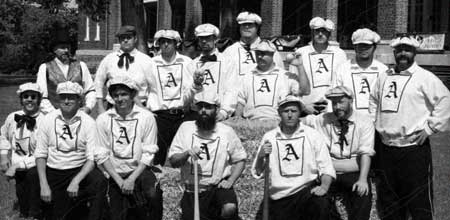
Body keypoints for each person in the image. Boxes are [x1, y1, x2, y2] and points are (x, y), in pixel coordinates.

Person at [369, 35, 450, 220]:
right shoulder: (384, 76)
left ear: (414, 52)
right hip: (386, 149)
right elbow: (373, 100)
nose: (402, 54)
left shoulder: (424, 77)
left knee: (419, 202)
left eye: (407, 49)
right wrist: (374, 122)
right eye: (399, 50)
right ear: (394, 52)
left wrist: (430, 128)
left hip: (413, 150)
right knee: (389, 201)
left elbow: (445, 101)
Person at [251, 95, 336, 220]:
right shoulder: (269, 137)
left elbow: (326, 167)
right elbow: (258, 172)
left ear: (299, 113)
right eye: (286, 111)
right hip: (279, 197)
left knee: (322, 204)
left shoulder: (312, 135)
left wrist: (324, 187)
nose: (290, 115)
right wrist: (260, 157)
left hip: (305, 194)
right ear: (279, 113)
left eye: (294, 111)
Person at [168, 92, 247, 220]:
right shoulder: (185, 128)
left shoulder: (226, 131)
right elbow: (173, 160)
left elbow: (241, 160)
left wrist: (230, 181)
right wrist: (186, 153)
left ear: (216, 109)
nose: (204, 111)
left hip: (217, 188)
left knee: (229, 208)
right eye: (200, 107)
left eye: (208, 107)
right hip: (192, 191)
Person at [34, 81, 107, 220]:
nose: (66, 101)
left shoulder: (89, 122)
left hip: (79, 170)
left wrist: (76, 181)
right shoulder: (48, 119)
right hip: (55, 170)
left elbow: (92, 158)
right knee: (60, 215)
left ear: (79, 100)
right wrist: (44, 185)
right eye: (63, 97)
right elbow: (40, 154)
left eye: (71, 97)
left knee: (99, 180)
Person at [302, 86, 375, 220]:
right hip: (328, 173)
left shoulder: (364, 121)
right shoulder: (322, 119)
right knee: (318, 202)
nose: (337, 107)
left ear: (351, 100)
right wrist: (303, 107)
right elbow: (295, 121)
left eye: (341, 102)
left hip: (353, 173)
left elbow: (366, 153)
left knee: (362, 196)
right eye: (334, 103)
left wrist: (363, 179)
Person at [95, 76, 161, 220]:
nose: (120, 99)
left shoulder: (146, 117)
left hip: (139, 171)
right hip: (114, 173)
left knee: (153, 194)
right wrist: (119, 181)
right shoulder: (103, 119)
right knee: (115, 213)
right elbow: (101, 154)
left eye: (124, 94)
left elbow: (149, 152)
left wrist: (131, 179)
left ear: (132, 95)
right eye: (116, 95)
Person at [147, 29, 204, 166]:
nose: (165, 45)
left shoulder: (186, 62)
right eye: (162, 42)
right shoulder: (151, 63)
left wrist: (196, 85)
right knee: (157, 157)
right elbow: (142, 90)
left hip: (181, 115)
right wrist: (146, 111)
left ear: (176, 44)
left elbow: (191, 89)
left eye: (169, 42)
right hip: (159, 116)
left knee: (181, 154)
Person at [0, 83, 44, 219]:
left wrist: (17, 166)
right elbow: (3, 135)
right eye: (26, 96)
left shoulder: (45, 121)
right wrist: (3, 156)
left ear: (39, 100)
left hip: (37, 165)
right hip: (18, 164)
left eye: (33, 97)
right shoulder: (13, 117)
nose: (29, 99)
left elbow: (43, 152)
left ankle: (36, 214)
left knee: (33, 180)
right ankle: (25, 212)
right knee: (22, 194)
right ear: (21, 100)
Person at [235, 40, 309, 121]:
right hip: (251, 121)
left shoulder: (285, 76)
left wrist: (300, 66)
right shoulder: (247, 76)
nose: (260, 57)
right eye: (258, 53)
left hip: (278, 121)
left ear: (272, 54)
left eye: (264, 54)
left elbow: (305, 91)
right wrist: (237, 117)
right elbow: (241, 102)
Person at [290, 17, 347, 115]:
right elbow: (292, 84)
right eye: (317, 31)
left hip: (332, 109)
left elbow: (343, 84)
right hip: (307, 108)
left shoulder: (339, 54)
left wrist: (331, 106)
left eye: (324, 31)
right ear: (312, 32)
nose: (320, 34)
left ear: (329, 33)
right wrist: (302, 106)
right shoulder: (300, 53)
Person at [95, 25, 155, 114]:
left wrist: (149, 107)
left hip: (139, 108)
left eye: (129, 37)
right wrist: (100, 107)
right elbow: (98, 83)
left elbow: (154, 87)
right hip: (114, 108)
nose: (125, 40)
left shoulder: (146, 61)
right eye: (123, 38)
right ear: (119, 40)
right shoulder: (109, 59)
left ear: (135, 39)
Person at [36, 29, 96, 114]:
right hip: (54, 116)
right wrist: (54, 114)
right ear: (54, 49)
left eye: (68, 47)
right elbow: (42, 96)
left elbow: (90, 90)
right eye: (62, 48)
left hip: (79, 115)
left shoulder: (81, 66)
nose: (66, 51)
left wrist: (88, 107)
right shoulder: (45, 68)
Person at [333, 28, 388, 118]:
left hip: (375, 120)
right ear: (354, 47)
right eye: (360, 46)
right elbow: (335, 96)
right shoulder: (343, 69)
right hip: (349, 119)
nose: (363, 49)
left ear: (374, 47)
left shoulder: (383, 70)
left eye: (367, 46)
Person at [189, 23, 238, 121]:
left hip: (219, 114)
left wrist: (224, 112)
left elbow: (231, 89)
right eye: (201, 38)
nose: (204, 41)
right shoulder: (192, 64)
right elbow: (188, 91)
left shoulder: (227, 62)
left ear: (215, 39)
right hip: (198, 113)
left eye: (208, 38)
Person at [222, 11, 285, 76]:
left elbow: (280, 75)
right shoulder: (230, 51)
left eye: (250, 24)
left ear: (257, 27)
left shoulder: (269, 49)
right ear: (239, 28)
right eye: (243, 25)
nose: (246, 27)